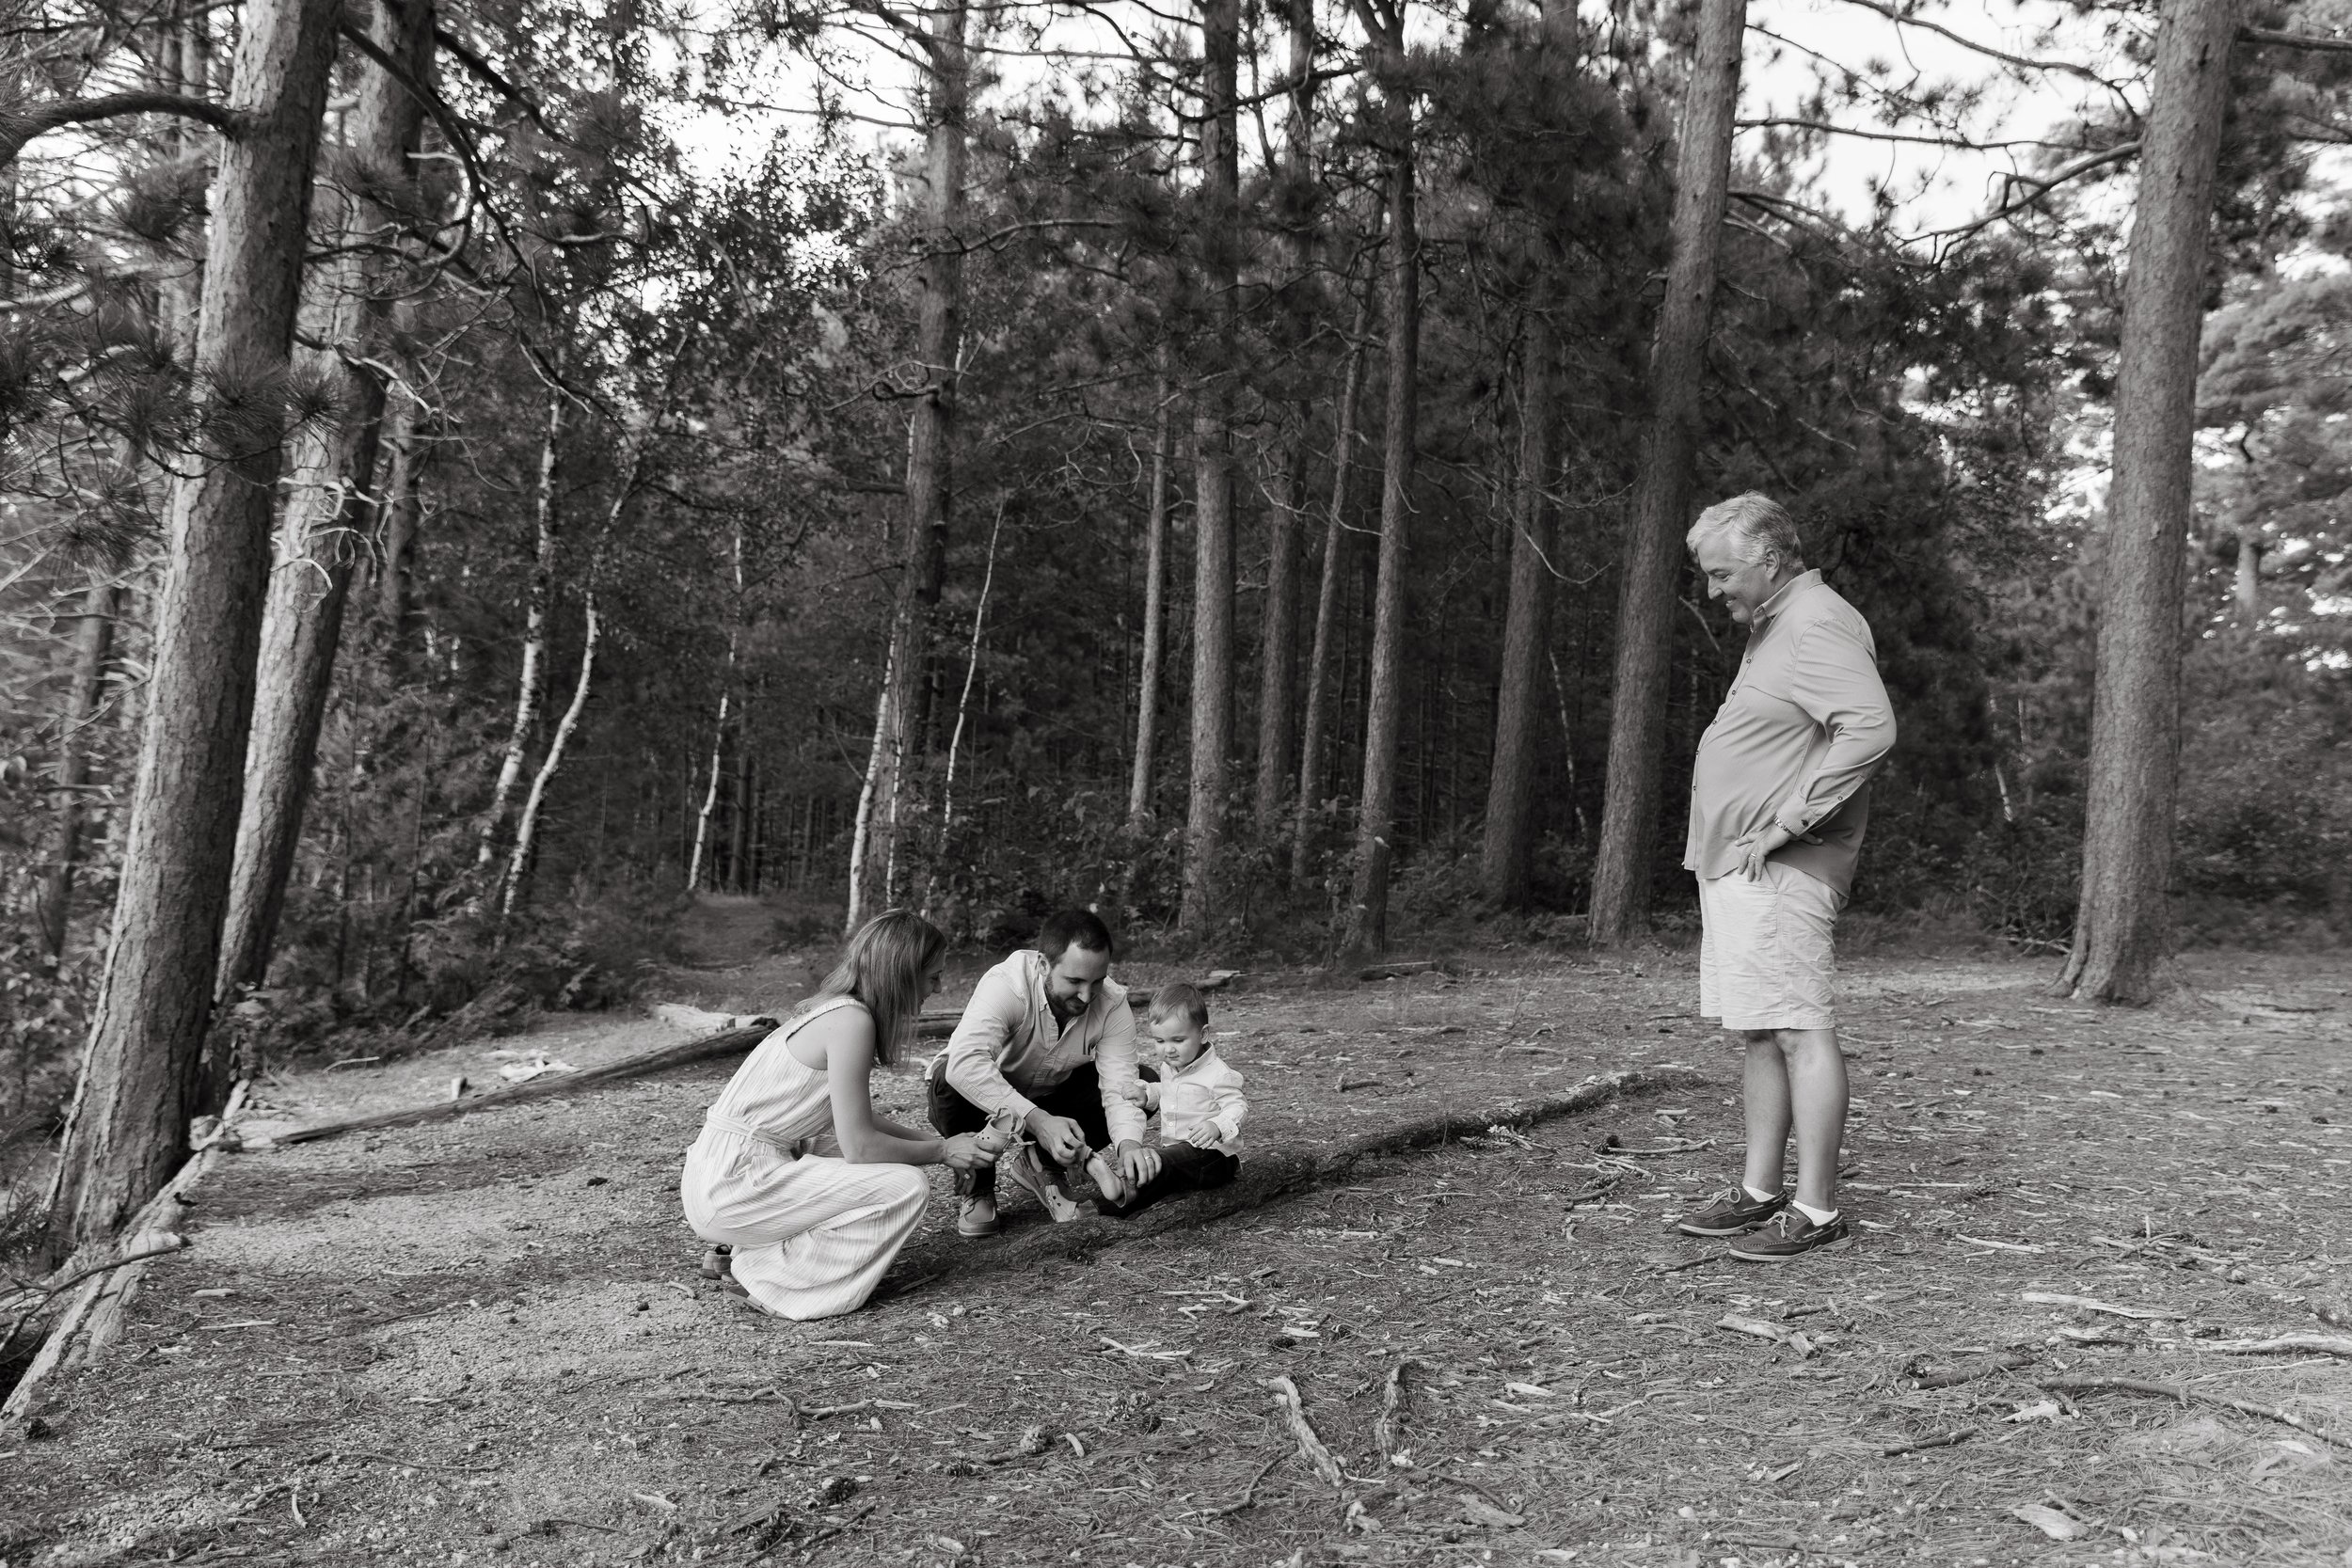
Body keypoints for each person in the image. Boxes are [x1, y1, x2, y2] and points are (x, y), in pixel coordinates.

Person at [1672, 493, 1896, 1262]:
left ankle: (1817, 1207)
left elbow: (1868, 726)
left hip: (1783, 864)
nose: (1713, 590)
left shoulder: (1816, 620)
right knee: (1761, 1029)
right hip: (1742, 863)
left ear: (1768, 559)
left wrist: (1785, 823)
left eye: (1722, 573)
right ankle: (1761, 1190)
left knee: (1799, 1027)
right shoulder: (1778, 625)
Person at [680, 910, 999, 1319]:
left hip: (721, 1173)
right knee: (905, 1186)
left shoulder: (835, 1010)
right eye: (933, 976)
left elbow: (849, 1123)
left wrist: (947, 1144)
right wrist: (942, 1153)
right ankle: (765, 1274)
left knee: (830, 1145)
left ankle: (742, 1249)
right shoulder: (852, 1021)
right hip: (733, 1182)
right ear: (902, 974)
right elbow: (861, 1146)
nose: (938, 988)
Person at [926, 908, 1155, 1236]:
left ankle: (1045, 1165)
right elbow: (966, 1065)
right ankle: (978, 1186)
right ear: (1044, 964)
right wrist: (1037, 1120)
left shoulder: (1112, 1003)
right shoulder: (1007, 985)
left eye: (1097, 981)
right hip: (986, 1104)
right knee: (950, 1075)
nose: (1087, 995)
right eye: (1074, 981)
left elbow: (1120, 1083)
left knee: (1145, 1084)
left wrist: (1129, 1144)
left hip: (1053, 1096)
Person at [1089, 982, 1246, 1217]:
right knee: (1156, 1175)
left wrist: (1216, 1125)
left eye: (1178, 1040)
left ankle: (1124, 1181)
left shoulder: (1217, 1073)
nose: (1168, 1050)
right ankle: (1106, 1203)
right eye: (1160, 1041)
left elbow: (1238, 1106)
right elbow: (1168, 1090)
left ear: (1203, 1034)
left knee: (1157, 1160)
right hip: (1177, 1155)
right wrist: (1147, 1093)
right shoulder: (1171, 1067)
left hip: (1214, 1158)